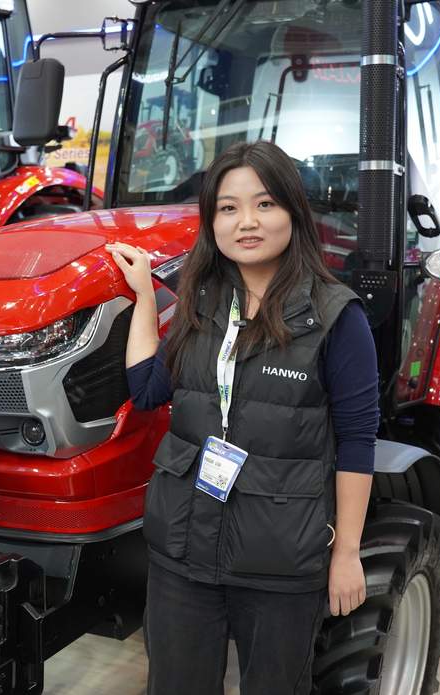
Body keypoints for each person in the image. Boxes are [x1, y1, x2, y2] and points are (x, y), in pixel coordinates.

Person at [105, 140, 379, 694]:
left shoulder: (335, 317)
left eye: (264, 204)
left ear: (293, 213)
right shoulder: (201, 302)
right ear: (212, 222)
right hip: (184, 549)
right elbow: (148, 389)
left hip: (282, 556)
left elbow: (356, 443)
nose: (246, 222)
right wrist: (142, 301)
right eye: (228, 208)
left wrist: (347, 554)